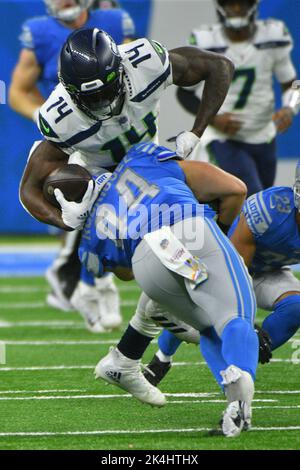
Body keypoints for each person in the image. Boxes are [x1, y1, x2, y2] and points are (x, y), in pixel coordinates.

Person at [19, 28, 235, 331]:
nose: (101, 103)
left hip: (150, 160)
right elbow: (28, 189)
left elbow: (220, 67)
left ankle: (209, 281)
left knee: (230, 192)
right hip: (103, 180)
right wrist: (66, 220)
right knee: (130, 270)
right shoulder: (60, 116)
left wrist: (195, 132)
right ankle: (102, 284)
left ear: (121, 69)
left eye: (106, 90)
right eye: (89, 97)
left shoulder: (144, 63)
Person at [77, 141, 258, 437]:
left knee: (209, 329)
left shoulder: (90, 234)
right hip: (188, 229)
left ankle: (234, 405)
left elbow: (124, 274)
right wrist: (218, 239)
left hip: (146, 263)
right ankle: (240, 399)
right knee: (235, 317)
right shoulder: (140, 158)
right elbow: (235, 189)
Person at [9, 0, 135, 324]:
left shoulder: (113, 21)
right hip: (73, 136)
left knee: (114, 209)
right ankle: (86, 283)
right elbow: (18, 91)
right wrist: (50, 121)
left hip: (117, 126)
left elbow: (128, 74)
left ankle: (80, 279)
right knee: (87, 202)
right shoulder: (39, 32)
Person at [144, 158, 300, 390]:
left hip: (270, 271)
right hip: (226, 264)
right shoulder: (271, 210)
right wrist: (246, 320)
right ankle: (161, 358)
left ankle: (244, 362)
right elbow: (235, 268)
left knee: (296, 306)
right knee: (197, 309)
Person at [177, 0, 299, 196]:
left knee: (262, 203)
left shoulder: (273, 36)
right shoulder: (206, 41)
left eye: (241, 4)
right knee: (253, 197)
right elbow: (184, 93)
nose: (235, 9)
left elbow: (293, 84)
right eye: (230, 4)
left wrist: (289, 107)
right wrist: (214, 119)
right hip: (225, 138)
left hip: (263, 135)